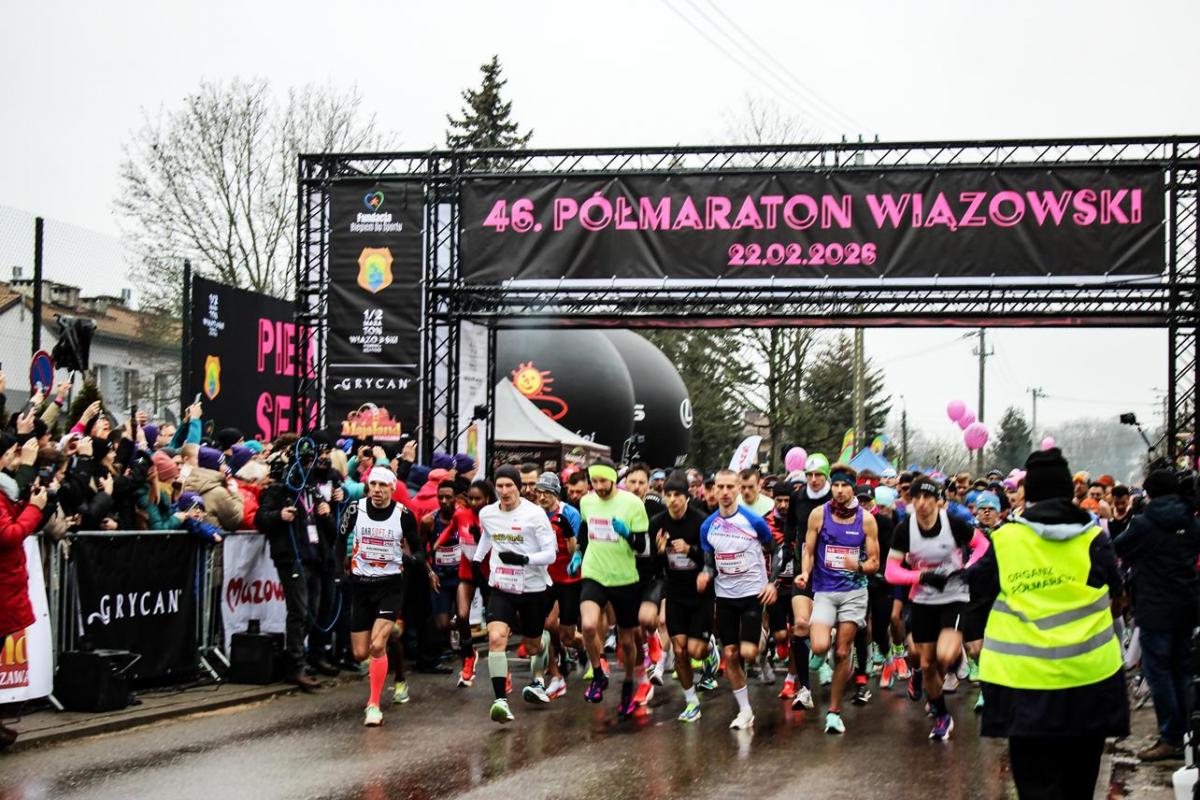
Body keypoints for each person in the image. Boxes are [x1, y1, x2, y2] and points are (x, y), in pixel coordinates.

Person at [968, 448, 1128, 798]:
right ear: (1069, 492)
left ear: (1030, 496)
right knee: (1078, 787)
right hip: (1090, 683)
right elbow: (1118, 601)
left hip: (1024, 688)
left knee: (1036, 787)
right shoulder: (1094, 540)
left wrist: (968, 634)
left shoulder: (1005, 540)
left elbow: (977, 593)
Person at [884, 474, 990, 740]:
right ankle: (942, 714)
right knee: (927, 663)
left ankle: (950, 669)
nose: (921, 503)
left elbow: (982, 545)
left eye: (927, 497)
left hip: (954, 597)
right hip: (923, 600)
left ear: (937, 500)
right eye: (916, 497)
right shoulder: (904, 529)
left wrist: (968, 568)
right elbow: (891, 571)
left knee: (944, 655)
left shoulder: (952, 523)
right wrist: (921, 576)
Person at [1113, 469, 1200, 761]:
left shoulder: (1144, 523)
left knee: (1157, 673)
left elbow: (1119, 548)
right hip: (1187, 606)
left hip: (1154, 608)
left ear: (1149, 494)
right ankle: (1188, 735)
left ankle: (1170, 737)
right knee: (1183, 670)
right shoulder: (1191, 520)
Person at [797, 465, 879, 734]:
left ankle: (833, 713)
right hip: (824, 590)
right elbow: (809, 551)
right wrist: (805, 573)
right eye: (836, 485)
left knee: (843, 652)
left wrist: (858, 566)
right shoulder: (818, 514)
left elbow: (875, 563)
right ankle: (825, 642)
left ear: (853, 488)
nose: (840, 490)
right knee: (819, 646)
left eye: (845, 486)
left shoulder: (866, 520)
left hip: (854, 592)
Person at [336, 466, 421, 726]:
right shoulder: (355, 509)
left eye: (383, 485)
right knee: (360, 653)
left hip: (390, 586)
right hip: (361, 586)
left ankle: (373, 705)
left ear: (392, 488)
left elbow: (419, 550)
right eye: (373, 484)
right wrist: (339, 573)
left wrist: (411, 560)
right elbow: (339, 540)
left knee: (376, 646)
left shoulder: (403, 515)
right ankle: (391, 637)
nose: (377, 490)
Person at [472, 465, 557, 724]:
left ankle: (542, 648)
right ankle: (500, 701)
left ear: (518, 487)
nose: (504, 491)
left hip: (533, 588)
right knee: (496, 638)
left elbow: (550, 554)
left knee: (532, 646)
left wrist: (523, 559)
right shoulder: (487, 513)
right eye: (500, 486)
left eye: (509, 485)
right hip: (502, 587)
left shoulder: (535, 515)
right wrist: (477, 559)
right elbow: (488, 536)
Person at [699, 468, 779, 730]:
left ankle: (762, 639)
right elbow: (709, 561)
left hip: (752, 594)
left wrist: (772, 582)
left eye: (730, 487)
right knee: (731, 654)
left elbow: (775, 550)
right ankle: (745, 710)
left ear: (737, 490)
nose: (724, 492)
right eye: (720, 487)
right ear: (714, 490)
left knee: (748, 652)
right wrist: (705, 573)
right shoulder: (707, 526)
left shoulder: (753, 521)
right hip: (725, 596)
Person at [577, 458, 649, 718]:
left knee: (627, 640)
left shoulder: (633, 503)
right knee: (588, 626)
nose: (598, 486)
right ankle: (598, 674)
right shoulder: (587, 502)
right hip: (594, 572)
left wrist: (628, 534)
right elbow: (585, 529)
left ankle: (629, 683)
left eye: (603, 481)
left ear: (614, 480)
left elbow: (642, 546)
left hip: (624, 578)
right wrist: (579, 551)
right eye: (594, 481)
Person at [652, 470, 716, 722]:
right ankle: (691, 702)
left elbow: (712, 557)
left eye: (677, 495)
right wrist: (659, 552)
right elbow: (653, 566)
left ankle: (710, 649)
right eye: (668, 495)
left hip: (700, 593)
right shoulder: (657, 523)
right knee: (679, 650)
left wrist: (691, 550)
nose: (672, 500)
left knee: (696, 651)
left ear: (687, 496)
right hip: (675, 592)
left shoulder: (701, 521)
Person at [534, 471, 582, 700]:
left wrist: (569, 533)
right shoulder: (535, 513)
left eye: (547, 493)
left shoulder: (570, 513)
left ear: (556, 494)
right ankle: (556, 677)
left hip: (570, 579)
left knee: (568, 635)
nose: (542, 497)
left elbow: (575, 553)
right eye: (539, 493)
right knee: (545, 625)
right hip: (547, 578)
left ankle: (589, 649)